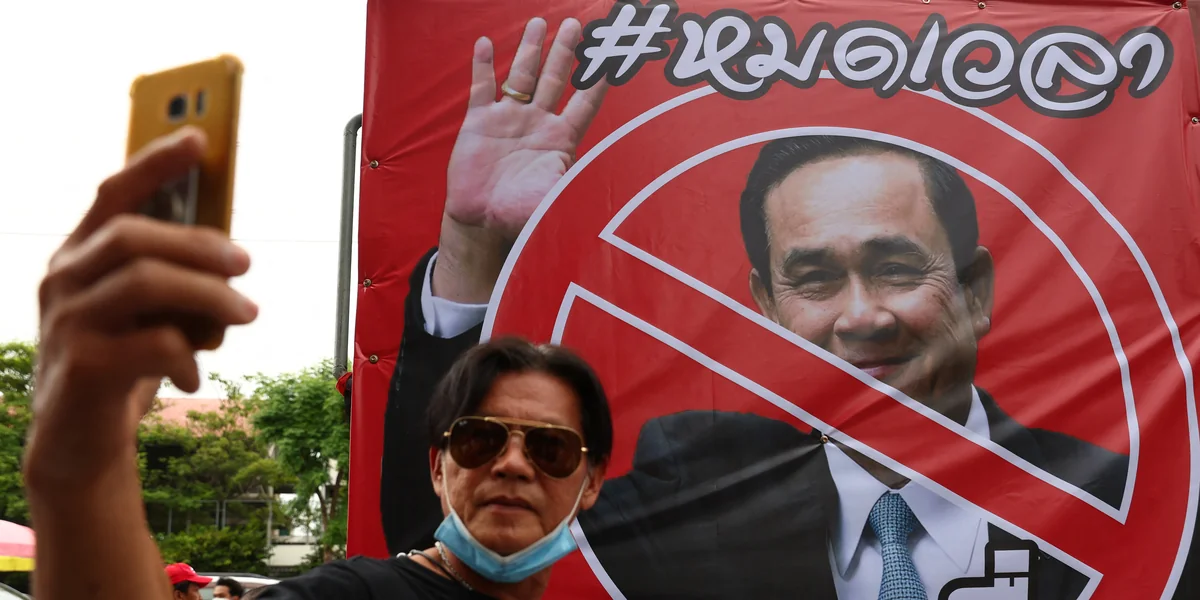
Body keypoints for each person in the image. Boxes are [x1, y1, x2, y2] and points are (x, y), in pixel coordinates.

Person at [378, 14, 1197, 600]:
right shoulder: (690, 493)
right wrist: (473, 246)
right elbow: (444, 554)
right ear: (766, 308)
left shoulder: (1121, 496)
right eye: (815, 279)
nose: (862, 315)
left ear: (975, 291)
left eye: (895, 266)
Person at [259, 338, 611, 599]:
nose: (513, 464)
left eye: (550, 447)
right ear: (438, 468)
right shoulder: (345, 594)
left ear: (593, 480)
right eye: (480, 439)